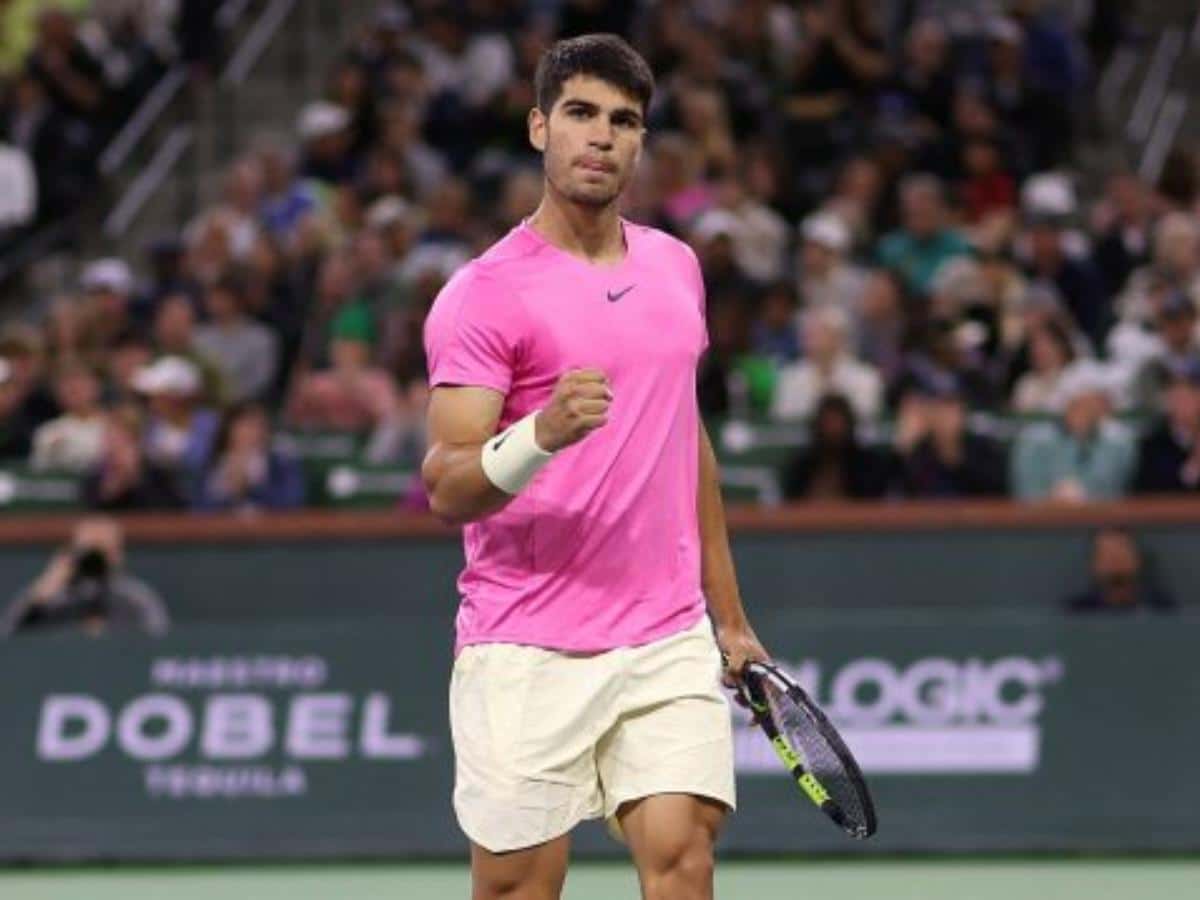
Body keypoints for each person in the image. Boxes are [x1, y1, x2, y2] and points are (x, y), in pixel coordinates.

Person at [421, 35, 766, 900]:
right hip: (527, 642)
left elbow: (687, 445)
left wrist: (729, 619)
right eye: (580, 114)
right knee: (519, 889)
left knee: (684, 859)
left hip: (664, 634)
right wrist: (538, 433)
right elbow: (446, 484)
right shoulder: (483, 292)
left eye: (624, 121)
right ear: (541, 128)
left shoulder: (675, 267)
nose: (602, 137)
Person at [1, 516, 169, 637]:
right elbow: (8, 640)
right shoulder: (51, 597)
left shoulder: (136, 599)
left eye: (103, 550)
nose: (95, 559)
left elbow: (158, 645)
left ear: (118, 555)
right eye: (89, 550)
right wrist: (40, 594)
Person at [1011, 362, 1136, 503]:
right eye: (1086, 402)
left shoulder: (1119, 443)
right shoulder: (1033, 442)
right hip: (1041, 520)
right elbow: (1026, 493)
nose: (1096, 407)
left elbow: (1116, 491)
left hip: (1102, 520)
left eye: (1101, 401)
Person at [195, 403, 305, 512]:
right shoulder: (212, 465)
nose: (254, 433)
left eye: (259, 426)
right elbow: (198, 509)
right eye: (246, 426)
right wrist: (228, 492)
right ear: (229, 431)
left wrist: (251, 488)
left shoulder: (281, 464)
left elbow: (292, 503)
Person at [782, 393, 888, 500]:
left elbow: (872, 503)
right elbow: (791, 503)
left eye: (838, 422)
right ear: (818, 426)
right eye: (828, 422)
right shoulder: (802, 465)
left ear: (849, 424)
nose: (833, 429)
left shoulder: (868, 464)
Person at [1064, 528, 1175, 614]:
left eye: (1122, 552)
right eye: (1107, 554)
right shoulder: (1078, 612)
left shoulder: (1161, 609)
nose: (1115, 560)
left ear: (1137, 559)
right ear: (1094, 564)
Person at [1133, 359, 1200, 494]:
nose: (1181, 403)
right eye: (1176, 396)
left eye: (1189, 394)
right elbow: (1146, 495)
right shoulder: (1154, 445)